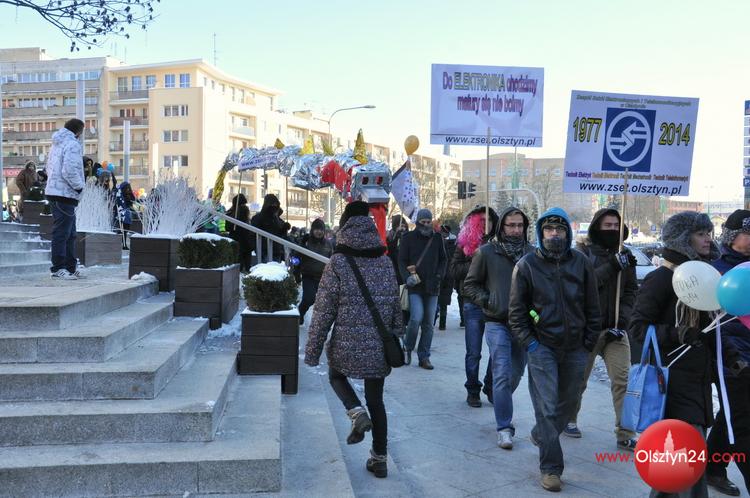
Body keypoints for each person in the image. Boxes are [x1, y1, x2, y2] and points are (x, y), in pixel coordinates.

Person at [304, 201, 401, 479]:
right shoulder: (384, 260)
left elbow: (323, 310)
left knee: (336, 375)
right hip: (378, 345)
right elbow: (394, 301)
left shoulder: (338, 262)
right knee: (376, 400)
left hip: (345, 343)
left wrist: (312, 351)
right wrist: (396, 331)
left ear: (344, 225)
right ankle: (379, 459)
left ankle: (356, 412)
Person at [508, 207, 601, 492]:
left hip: (576, 347)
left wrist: (589, 341)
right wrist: (531, 343)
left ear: (568, 232)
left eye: (559, 229)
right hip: (542, 347)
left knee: (569, 403)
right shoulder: (526, 265)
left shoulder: (581, 263)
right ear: (540, 232)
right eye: (549, 229)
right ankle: (551, 468)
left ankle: (541, 434)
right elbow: (516, 313)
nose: (554, 234)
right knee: (547, 407)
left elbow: (593, 306)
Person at [629, 211, 719, 498]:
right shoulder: (662, 278)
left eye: (708, 233)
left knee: (680, 464)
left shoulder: (703, 280)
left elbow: (711, 331)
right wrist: (677, 333)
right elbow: (638, 328)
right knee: (687, 458)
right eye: (700, 234)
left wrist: (730, 359)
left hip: (697, 381)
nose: (708, 239)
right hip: (670, 381)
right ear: (683, 239)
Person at [566, 209, 639, 451]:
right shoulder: (582, 253)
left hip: (615, 330)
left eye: (616, 225)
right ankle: (568, 418)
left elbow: (631, 291)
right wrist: (612, 266)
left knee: (623, 382)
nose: (612, 229)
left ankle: (625, 432)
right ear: (597, 226)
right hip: (586, 330)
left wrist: (623, 319)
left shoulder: (625, 254)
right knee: (578, 380)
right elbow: (583, 286)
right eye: (607, 225)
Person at [463, 206, 533, 449]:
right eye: (511, 225)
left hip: (524, 325)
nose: (516, 230)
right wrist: (488, 300)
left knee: (515, 374)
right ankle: (504, 427)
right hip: (496, 322)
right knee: (502, 372)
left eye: (520, 225)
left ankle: (499, 396)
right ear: (502, 226)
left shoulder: (532, 254)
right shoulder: (486, 252)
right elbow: (470, 285)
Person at [706, 209, 750, 496]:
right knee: (743, 422)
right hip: (731, 359)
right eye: (748, 233)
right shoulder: (715, 271)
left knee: (732, 414)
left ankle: (712, 466)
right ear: (732, 237)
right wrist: (731, 356)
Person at [449, 205, 499, 405]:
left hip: (495, 303)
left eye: (490, 220)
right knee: (474, 352)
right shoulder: (465, 243)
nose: (486, 224)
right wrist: (477, 259)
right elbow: (454, 270)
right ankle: (472, 389)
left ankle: (490, 385)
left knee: (497, 350)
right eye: (482, 220)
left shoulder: (499, 242)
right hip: (472, 302)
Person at [398, 208, 447, 370]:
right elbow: (401, 260)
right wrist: (407, 277)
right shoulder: (408, 238)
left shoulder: (437, 238)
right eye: (423, 222)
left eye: (428, 221)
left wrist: (439, 275)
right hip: (415, 286)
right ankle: (408, 347)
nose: (426, 224)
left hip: (433, 286)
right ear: (417, 222)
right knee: (416, 318)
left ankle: (424, 356)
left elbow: (443, 260)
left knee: (428, 324)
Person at [44, 118, 86, 280]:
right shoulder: (73, 144)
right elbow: (69, 170)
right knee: (63, 233)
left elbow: (49, 167)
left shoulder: (57, 144)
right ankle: (58, 268)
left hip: (56, 192)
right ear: (78, 131)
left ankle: (69, 267)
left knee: (69, 233)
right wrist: (79, 187)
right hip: (65, 194)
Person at [296, 218, 334, 325]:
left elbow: (332, 259)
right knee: (309, 298)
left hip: (323, 277)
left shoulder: (328, 244)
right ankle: (300, 312)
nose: (319, 232)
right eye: (316, 229)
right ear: (312, 230)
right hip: (309, 276)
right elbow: (296, 258)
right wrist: (296, 273)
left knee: (324, 302)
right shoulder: (306, 242)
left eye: (321, 229)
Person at [251, 193, 290, 262]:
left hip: (276, 251)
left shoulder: (276, 219)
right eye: (272, 205)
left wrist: (284, 228)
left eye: (276, 205)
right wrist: (257, 249)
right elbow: (253, 235)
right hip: (265, 251)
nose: (274, 207)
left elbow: (280, 233)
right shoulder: (259, 218)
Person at [435, 224, 456, 331]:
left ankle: (436, 322)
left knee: (438, 301)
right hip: (448, 275)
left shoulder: (438, 244)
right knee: (443, 302)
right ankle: (441, 324)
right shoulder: (454, 244)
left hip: (442, 276)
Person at [226, 194, 252, 271]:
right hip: (245, 240)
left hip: (235, 239)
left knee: (237, 262)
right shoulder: (244, 211)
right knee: (246, 262)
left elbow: (227, 228)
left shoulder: (230, 213)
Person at [116, 182, 137, 249]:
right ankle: (122, 244)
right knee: (121, 230)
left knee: (125, 230)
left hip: (127, 215)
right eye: (126, 188)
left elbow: (132, 201)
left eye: (128, 188)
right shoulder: (120, 195)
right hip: (121, 214)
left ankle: (124, 244)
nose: (128, 189)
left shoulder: (129, 195)